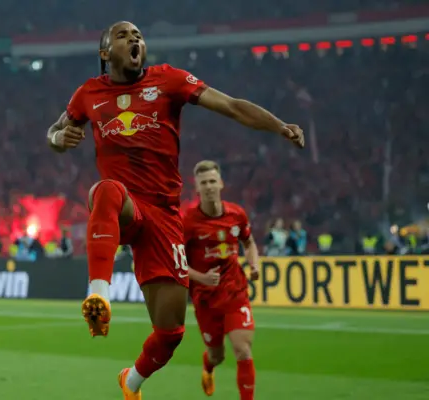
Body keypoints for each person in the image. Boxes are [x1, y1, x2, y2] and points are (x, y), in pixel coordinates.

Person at [46, 21, 303, 400]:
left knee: (171, 334)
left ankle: (130, 382)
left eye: (138, 35)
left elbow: (231, 105)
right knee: (107, 190)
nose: (135, 39)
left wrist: (279, 126)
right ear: (105, 53)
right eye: (123, 35)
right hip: (127, 207)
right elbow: (55, 131)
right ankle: (98, 294)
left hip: (165, 217)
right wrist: (59, 138)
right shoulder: (88, 93)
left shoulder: (169, 80)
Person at [184, 160, 260, 399]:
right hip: (205, 299)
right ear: (197, 188)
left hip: (235, 291)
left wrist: (254, 263)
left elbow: (249, 242)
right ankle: (208, 367)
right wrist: (201, 278)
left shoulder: (236, 214)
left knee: (243, 350)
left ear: (221, 184)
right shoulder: (187, 222)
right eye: (204, 183)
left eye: (212, 181)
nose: (209, 187)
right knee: (217, 355)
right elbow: (175, 262)